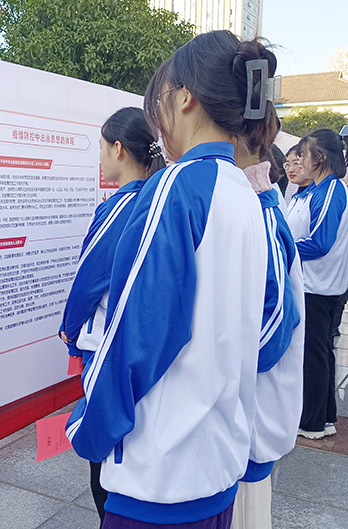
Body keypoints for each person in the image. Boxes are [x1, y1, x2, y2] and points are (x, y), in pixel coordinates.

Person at [66, 30, 272, 528]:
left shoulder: (177, 187)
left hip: (159, 481)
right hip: (215, 471)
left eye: (158, 100)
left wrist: (87, 426)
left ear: (184, 98)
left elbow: (136, 336)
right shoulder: (244, 194)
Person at [59, 106, 165, 527]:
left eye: (102, 148)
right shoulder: (158, 200)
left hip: (105, 343)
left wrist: (69, 329)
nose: (101, 157)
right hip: (143, 344)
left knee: (102, 452)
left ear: (119, 149)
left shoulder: (121, 207)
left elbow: (88, 280)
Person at [230, 148, 304, 529]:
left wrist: (221, 370)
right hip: (244, 415)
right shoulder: (256, 205)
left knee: (247, 512)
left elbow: (277, 320)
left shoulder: (260, 211)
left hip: (251, 419)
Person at [292, 129, 348, 439]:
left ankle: (312, 422)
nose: (300, 161)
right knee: (319, 352)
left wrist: (281, 247)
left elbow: (320, 242)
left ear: (321, 158)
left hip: (318, 286)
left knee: (313, 355)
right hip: (316, 284)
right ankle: (323, 418)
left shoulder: (330, 192)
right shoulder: (318, 190)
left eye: (304, 155)